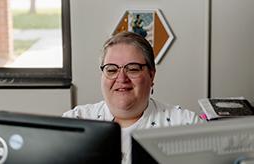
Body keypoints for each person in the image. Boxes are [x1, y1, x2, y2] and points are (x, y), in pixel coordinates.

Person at [62, 31, 205, 164]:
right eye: (111, 69)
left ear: (151, 75)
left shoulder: (186, 125)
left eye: (133, 69)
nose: (122, 78)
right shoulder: (73, 123)